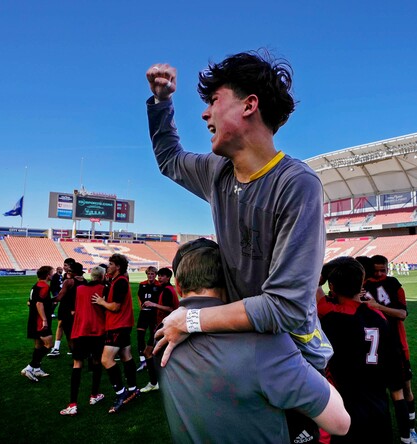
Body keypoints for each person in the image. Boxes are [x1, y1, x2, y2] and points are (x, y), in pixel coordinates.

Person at [147, 51, 332, 441]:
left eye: (214, 101)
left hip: (291, 355)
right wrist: (162, 102)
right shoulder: (217, 171)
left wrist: (190, 320)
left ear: (250, 105)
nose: (204, 113)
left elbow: (286, 306)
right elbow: (169, 160)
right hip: (241, 349)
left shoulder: (296, 185)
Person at [157, 239, 350, 444]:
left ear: (177, 286)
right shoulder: (263, 343)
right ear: (230, 282)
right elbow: (340, 423)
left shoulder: (163, 336)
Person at [320, 257, 410, 443]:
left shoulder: (330, 316)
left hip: (344, 415)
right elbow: (396, 389)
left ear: (333, 287)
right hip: (378, 415)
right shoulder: (379, 318)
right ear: (362, 283)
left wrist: (323, 278)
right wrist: (405, 434)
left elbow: (311, 289)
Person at [363, 255, 417, 444]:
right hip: (375, 348)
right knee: (380, 393)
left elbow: (402, 314)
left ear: (388, 269)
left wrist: (377, 306)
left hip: (398, 346)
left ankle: (411, 430)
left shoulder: (394, 284)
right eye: (376, 270)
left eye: (383, 270)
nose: (379, 274)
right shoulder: (363, 286)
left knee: (405, 390)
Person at [91, 253, 139, 414]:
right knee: (126, 355)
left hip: (117, 326)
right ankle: (133, 388)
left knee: (106, 359)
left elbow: (115, 307)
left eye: (110, 264)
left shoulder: (119, 282)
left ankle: (121, 392)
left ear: (118, 266)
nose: (108, 266)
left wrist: (101, 302)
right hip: (123, 325)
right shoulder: (117, 281)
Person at [59, 266, 107, 416]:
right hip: (97, 330)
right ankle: (94, 395)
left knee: (77, 364)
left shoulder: (79, 289)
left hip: (80, 330)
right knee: (97, 361)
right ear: (102, 276)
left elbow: (75, 307)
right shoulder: (103, 289)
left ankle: (73, 404)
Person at [140, 267, 179, 393]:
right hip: (165, 325)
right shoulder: (167, 289)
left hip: (164, 326)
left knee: (148, 352)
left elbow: (170, 309)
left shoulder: (167, 290)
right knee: (160, 353)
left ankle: (153, 382)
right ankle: (165, 380)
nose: (159, 278)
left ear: (168, 278)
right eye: (159, 275)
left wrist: (153, 304)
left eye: (162, 276)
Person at [21, 265, 54, 382]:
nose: (53, 274)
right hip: (40, 321)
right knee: (49, 345)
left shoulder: (35, 286)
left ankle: (37, 369)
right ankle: (30, 367)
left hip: (33, 319)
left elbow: (29, 303)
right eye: (52, 272)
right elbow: (38, 304)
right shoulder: (45, 286)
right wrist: (44, 319)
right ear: (48, 275)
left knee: (38, 345)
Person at [50, 260, 86, 357]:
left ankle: (77, 358)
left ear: (74, 272)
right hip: (79, 310)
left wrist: (45, 300)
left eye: (69, 271)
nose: (67, 272)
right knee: (78, 332)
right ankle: (82, 354)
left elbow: (59, 297)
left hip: (67, 309)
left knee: (69, 334)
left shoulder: (68, 281)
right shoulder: (85, 281)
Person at [135, 266, 162, 372]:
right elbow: (139, 295)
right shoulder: (142, 284)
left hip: (154, 314)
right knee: (140, 335)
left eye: (152, 274)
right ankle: (142, 360)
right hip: (144, 313)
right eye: (149, 274)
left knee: (153, 336)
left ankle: (152, 357)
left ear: (155, 275)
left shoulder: (159, 285)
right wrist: (141, 304)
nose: (150, 276)